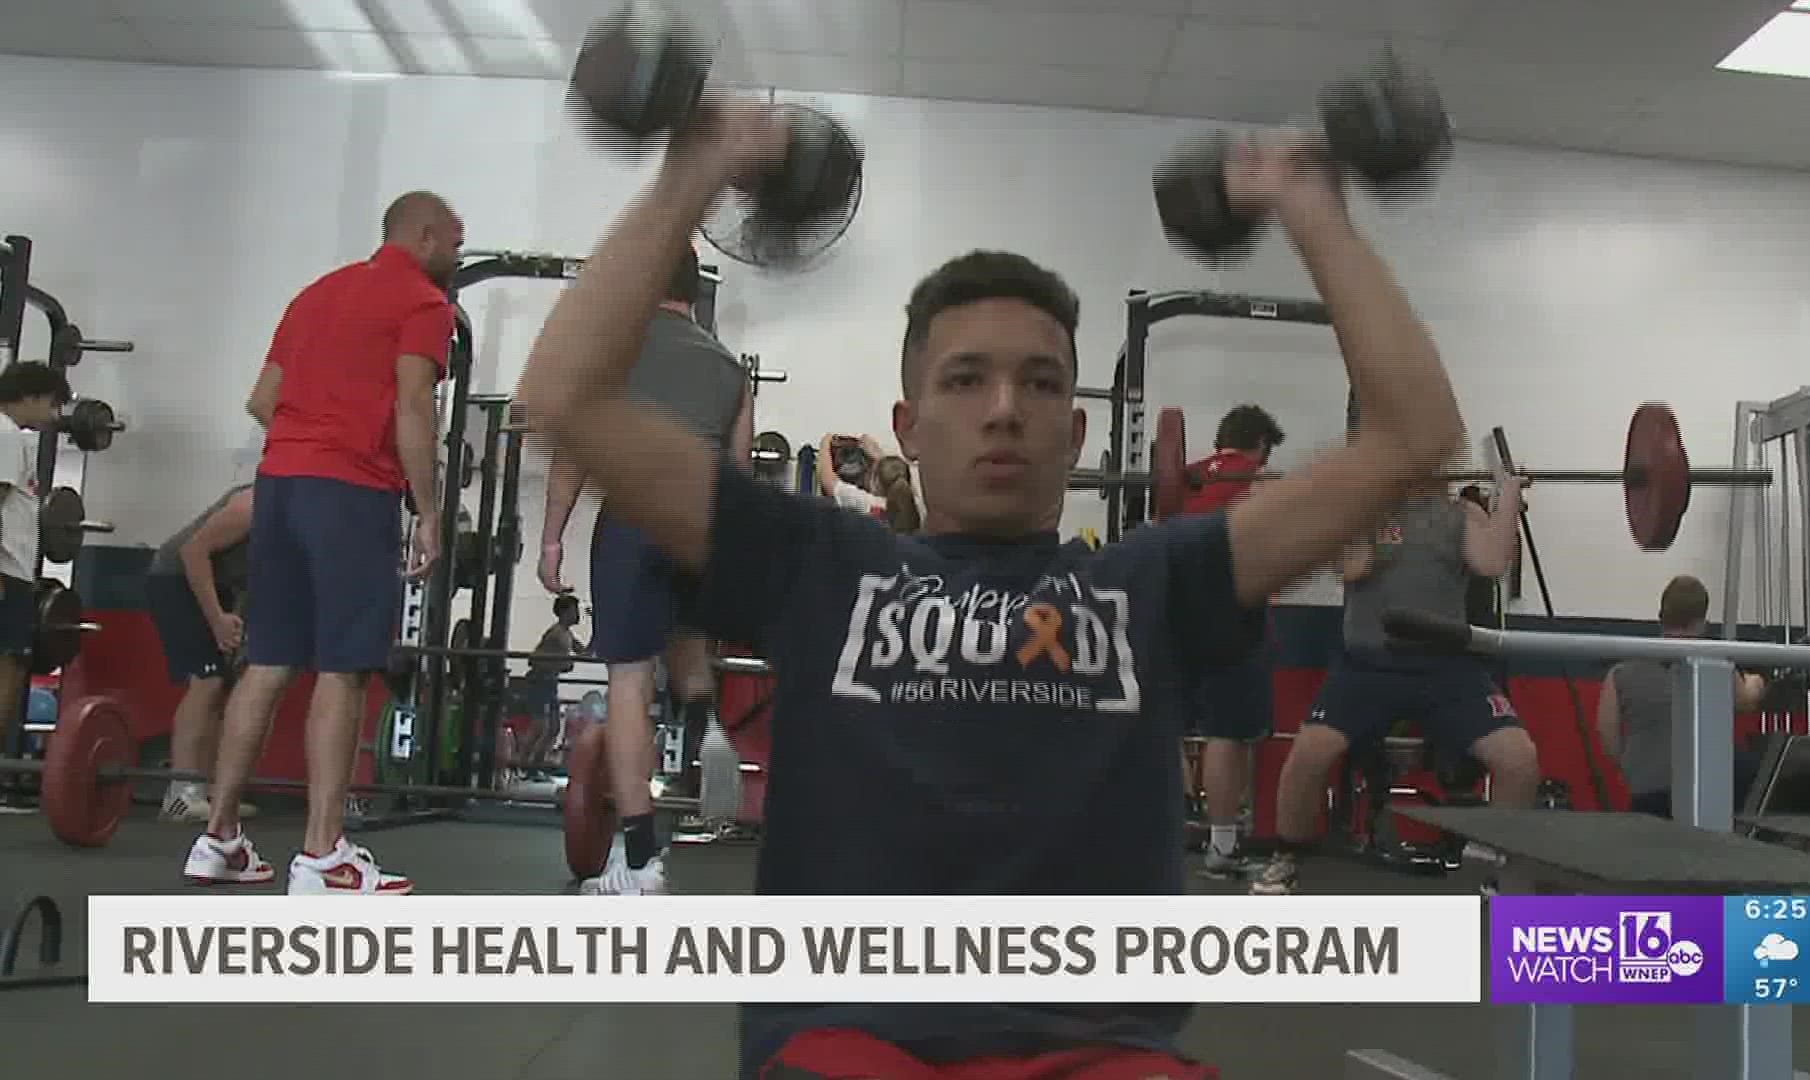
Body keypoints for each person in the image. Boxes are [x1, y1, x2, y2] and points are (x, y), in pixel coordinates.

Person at [514, 98, 1466, 1080]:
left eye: (1042, 384)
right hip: (850, 1050)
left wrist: (1312, 208)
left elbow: (1414, 436)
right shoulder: (815, 562)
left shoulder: (1161, 580)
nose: (1005, 410)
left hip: (1098, 1057)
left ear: (1080, 435)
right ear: (909, 423)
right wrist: (693, 171)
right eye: (966, 380)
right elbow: (563, 397)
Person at [181, 191, 461, 894]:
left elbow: (263, 399)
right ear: (426, 238)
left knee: (269, 660)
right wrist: (428, 512)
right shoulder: (425, 304)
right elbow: (414, 410)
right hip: (352, 492)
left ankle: (217, 838)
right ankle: (322, 854)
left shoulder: (316, 295)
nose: (456, 259)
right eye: (455, 245)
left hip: (280, 485)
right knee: (344, 670)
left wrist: (320, 419)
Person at [537, 241, 754, 897]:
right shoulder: (729, 369)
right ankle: (702, 716)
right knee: (686, 639)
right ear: (694, 293)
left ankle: (638, 860)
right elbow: (740, 475)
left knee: (628, 684)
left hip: (633, 520)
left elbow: (575, 454)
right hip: (699, 525)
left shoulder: (614, 348)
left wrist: (552, 541)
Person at [1254, 443, 1538, 897]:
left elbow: (1492, 562)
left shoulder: (1463, 515)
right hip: (1367, 666)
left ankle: (1498, 869)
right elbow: (1352, 566)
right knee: (1307, 758)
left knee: (1518, 759)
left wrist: (1506, 496)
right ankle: (1289, 857)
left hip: (1446, 668)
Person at [1178, 404, 1284, 880]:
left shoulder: (1186, 476)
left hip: (1177, 612)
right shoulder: (1259, 479)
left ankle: (1174, 826)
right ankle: (1221, 846)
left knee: (1175, 727)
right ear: (1260, 444)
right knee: (1229, 733)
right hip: (1234, 613)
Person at [1596, 574, 1768, 818]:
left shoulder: (1620, 672)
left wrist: (1637, 767)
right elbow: (1746, 700)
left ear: (1661, 617)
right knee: (1755, 773)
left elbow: (1607, 736)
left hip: (1646, 795)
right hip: (1704, 797)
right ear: (1701, 623)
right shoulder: (1714, 664)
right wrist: (1757, 681)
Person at [147, 482, 257, 822]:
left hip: (220, 587)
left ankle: (212, 794)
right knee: (206, 680)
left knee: (224, 685)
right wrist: (218, 620)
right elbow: (193, 552)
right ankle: (181, 795)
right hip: (177, 580)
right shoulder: (254, 505)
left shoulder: (304, 512)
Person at [0, 362, 69, 740]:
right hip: (5, 572)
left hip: (11, 571)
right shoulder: (7, 435)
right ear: (29, 397)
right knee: (7, 663)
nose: (54, 415)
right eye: (51, 404)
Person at [522, 593, 588, 774]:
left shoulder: (568, 634)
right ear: (565, 612)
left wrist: (600, 627)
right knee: (540, 726)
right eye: (574, 610)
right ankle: (523, 766)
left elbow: (586, 653)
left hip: (549, 683)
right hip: (539, 681)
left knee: (553, 728)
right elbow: (534, 660)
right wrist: (561, 664)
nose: (577, 614)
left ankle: (534, 767)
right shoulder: (555, 633)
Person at [819, 433, 922, 532]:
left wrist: (826, 440)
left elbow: (828, 480)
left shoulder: (868, 504)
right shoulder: (917, 503)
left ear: (875, 484)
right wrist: (878, 455)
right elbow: (895, 474)